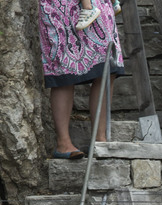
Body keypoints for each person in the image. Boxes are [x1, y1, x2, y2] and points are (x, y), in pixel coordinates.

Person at [39, 0, 124, 159]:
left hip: (99, 5)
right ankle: (64, 143)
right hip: (61, 6)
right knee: (64, 72)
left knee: (107, 66)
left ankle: (100, 139)